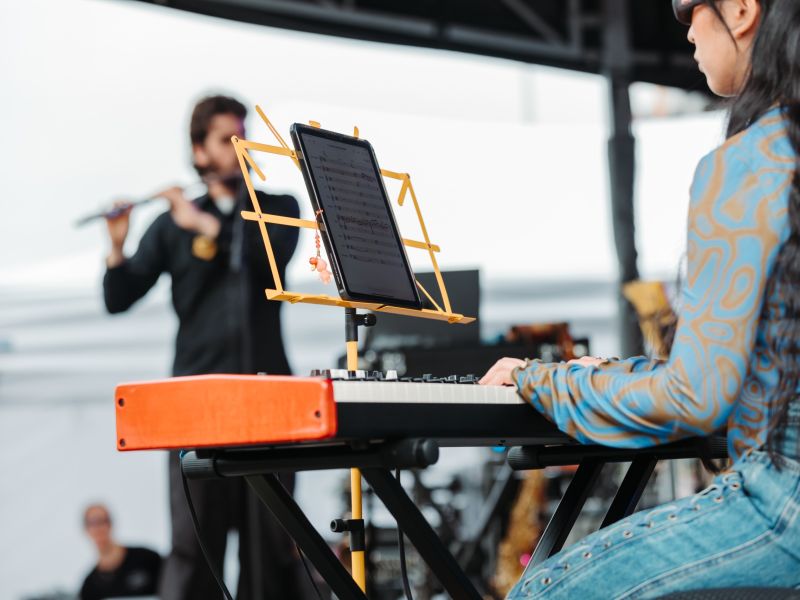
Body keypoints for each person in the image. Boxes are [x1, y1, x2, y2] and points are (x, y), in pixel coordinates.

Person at [480, 0, 800, 597]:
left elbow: (695, 398)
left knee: (539, 591)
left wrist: (541, 380)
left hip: (785, 504)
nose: (686, 31)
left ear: (740, 10)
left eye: (686, 8)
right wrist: (617, 375)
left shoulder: (754, 161)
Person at [103, 95, 306, 599]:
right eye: (225, 139)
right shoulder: (171, 223)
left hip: (269, 401)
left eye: (243, 136)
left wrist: (206, 225)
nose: (239, 148)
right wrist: (117, 246)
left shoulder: (277, 210)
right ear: (198, 151)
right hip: (196, 406)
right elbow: (119, 298)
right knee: (195, 550)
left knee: (270, 549)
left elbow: (266, 259)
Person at [79, 504, 162, 600]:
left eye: (101, 521)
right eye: (91, 523)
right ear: (86, 530)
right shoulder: (89, 587)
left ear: (110, 524)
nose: (97, 529)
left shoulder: (148, 559)